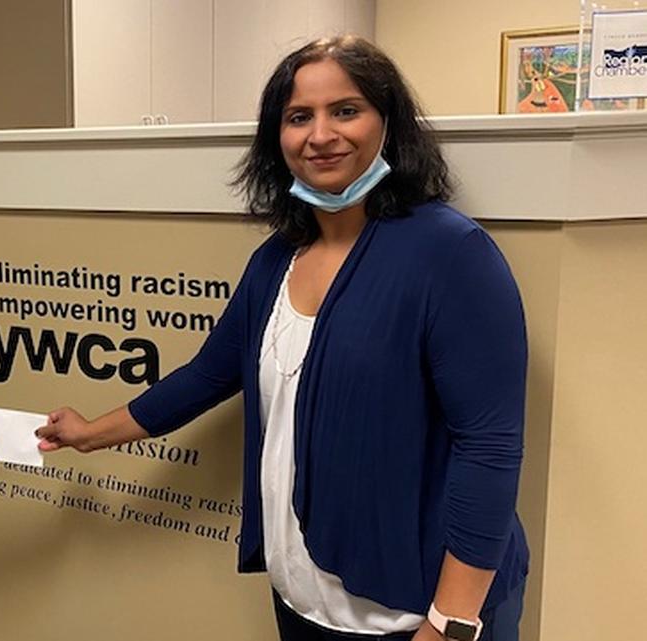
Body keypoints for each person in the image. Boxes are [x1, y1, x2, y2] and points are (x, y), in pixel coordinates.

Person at [36, 36, 528, 641]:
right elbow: (209, 375)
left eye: (345, 110)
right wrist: (91, 433)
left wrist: (452, 623)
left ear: (387, 123)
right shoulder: (277, 260)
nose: (321, 135)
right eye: (299, 117)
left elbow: (489, 448)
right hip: (304, 598)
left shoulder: (449, 254)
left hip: (414, 614)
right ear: (278, 138)